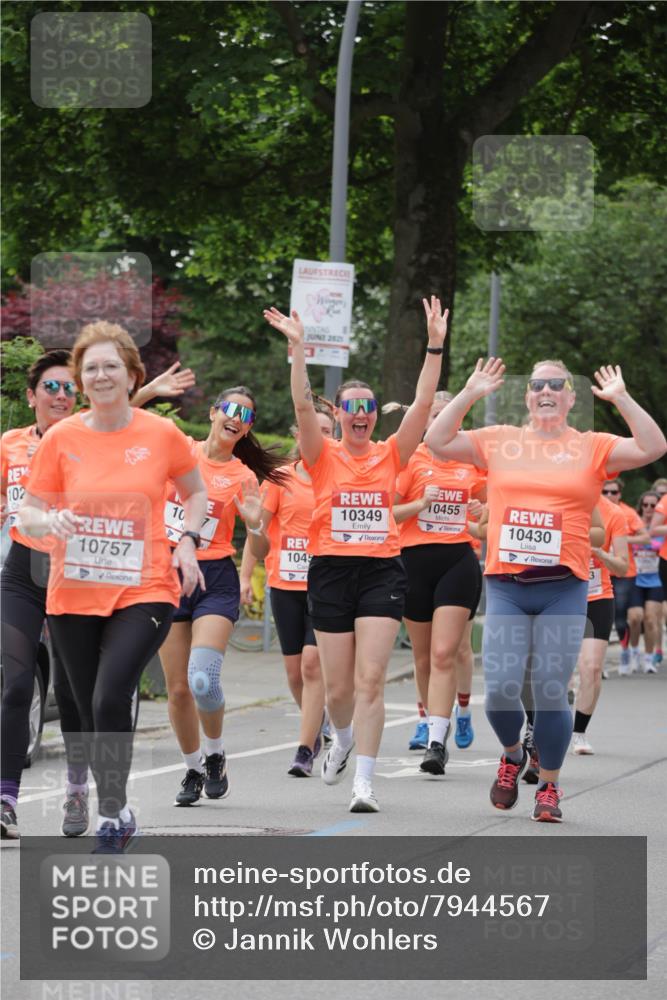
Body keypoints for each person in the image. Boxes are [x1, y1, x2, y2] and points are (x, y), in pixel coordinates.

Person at [425, 359, 666, 822]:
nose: (547, 391)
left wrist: (620, 398)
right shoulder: (500, 440)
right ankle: (514, 754)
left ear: (572, 398)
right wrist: (471, 392)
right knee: (499, 693)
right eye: (538, 385)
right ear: (528, 396)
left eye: (558, 384)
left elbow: (654, 446)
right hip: (508, 585)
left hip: (563, 587)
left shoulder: (591, 446)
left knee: (552, 691)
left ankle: (550, 786)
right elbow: (436, 440)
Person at [17, 322, 207, 852]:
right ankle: (117, 810)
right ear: (81, 379)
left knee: (109, 695)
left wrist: (188, 541)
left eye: (111, 367)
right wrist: (44, 523)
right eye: (91, 368)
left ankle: (110, 811)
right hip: (73, 591)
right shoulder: (62, 438)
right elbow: (28, 511)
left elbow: (195, 492)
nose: (101, 375)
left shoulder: (159, 435)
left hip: (143, 588)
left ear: (131, 376)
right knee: (80, 704)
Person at [264, 296, 447, 812]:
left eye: (369, 406)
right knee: (337, 686)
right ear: (340, 414)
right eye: (353, 406)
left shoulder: (393, 452)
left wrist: (435, 344)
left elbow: (424, 398)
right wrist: (299, 350)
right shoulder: (322, 455)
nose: (363, 414)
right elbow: (302, 405)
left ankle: (364, 781)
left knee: (371, 679)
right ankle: (340, 738)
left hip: (382, 571)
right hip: (329, 572)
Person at [159, 385, 288, 807]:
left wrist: (254, 527)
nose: (237, 418)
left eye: (246, 416)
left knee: (201, 678)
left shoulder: (243, 476)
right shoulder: (179, 452)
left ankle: (215, 755)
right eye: (231, 409)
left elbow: (261, 544)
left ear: (247, 429)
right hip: (167, 575)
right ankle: (193, 767)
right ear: (214, 412)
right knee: (178, 689)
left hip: (214, 577)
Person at [393, 391, 485, 773]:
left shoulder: (474, 463)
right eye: (435, 414)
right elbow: (388, 515)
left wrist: (481, 513)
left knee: (447, 652)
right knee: (423, 655)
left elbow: (490, 524)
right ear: (426, 420)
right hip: (414, 562)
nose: (443, 420)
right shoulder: (411, 460)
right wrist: (419, 505)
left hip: (458, 561)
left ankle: (436, 740)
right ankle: (429, 716)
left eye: (451, 413)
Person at [242, 403, 335, 777]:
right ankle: (315, 724)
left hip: (328, 585)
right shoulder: (280, 479)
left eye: (327, 431)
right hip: (284, 584)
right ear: (299, 434)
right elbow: (256, 534)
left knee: (314, 666)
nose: (320, 436)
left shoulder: (340, 478)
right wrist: (246, 577)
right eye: (313, 429)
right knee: (295, 673)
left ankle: (303, 748)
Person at [571, 492, 629, 754]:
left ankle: (579, 733)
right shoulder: (564, 500)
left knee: (592, 667)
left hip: (597, 597)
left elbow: (622, 567)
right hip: (561, 597)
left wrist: (601, 555)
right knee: (555, 670)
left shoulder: (614, 514)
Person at [601, 477, 648, 671]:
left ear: (620, 494)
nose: (610, 495)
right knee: (610, 618)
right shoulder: (592, 510)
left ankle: (628, 651)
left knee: (627, 617)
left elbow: (645, 537)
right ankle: (601, 661)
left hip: (624, 572)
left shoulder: (626, 513)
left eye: (614, 492)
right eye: (606, 492)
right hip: (600, 571)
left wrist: (620, 538)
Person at [626, 491, 663, 673]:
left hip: (655, 579)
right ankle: (634, 653)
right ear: (641, 506)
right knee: (634, 618)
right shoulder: (634, 524)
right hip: (635, 578)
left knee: (650, 620)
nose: (648, 509)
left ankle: (648, 659)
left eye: (653, 505)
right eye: (645, 505)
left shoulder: (661, 527)